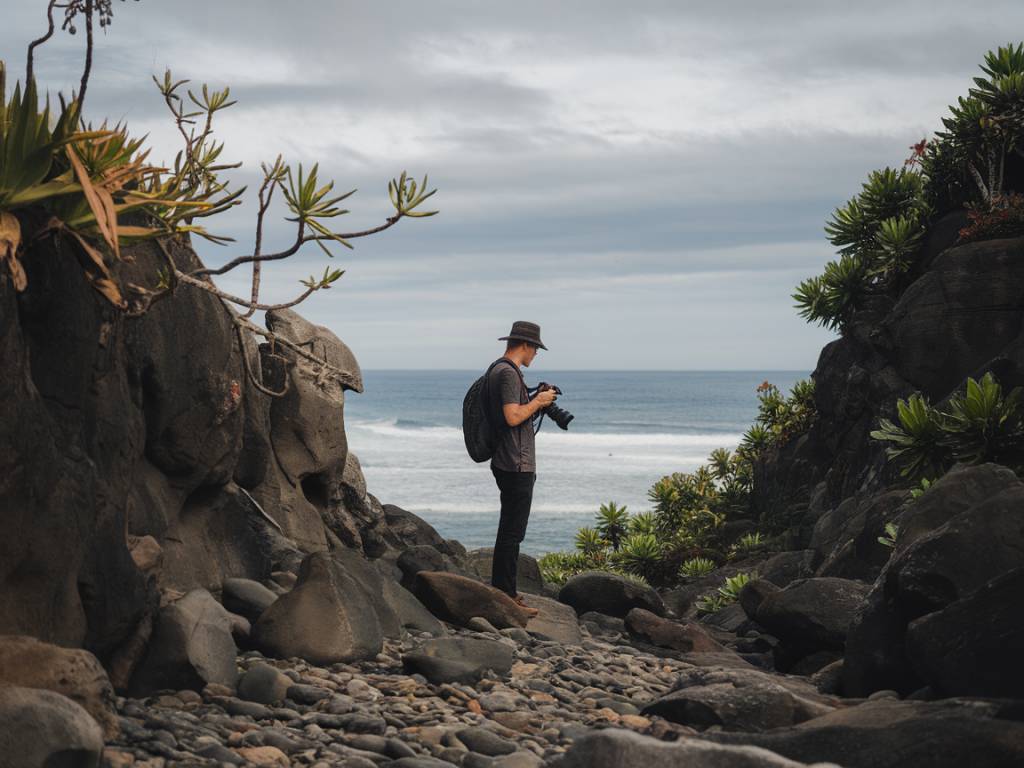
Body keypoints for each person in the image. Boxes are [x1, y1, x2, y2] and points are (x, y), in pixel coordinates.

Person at [487, 321, 557, 615]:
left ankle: (504, 591)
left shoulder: (499, 369)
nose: (536, 355)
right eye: (535, 350)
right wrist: (539, 401)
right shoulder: (507, 373)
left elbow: (511, 412)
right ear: (525, 346)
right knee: (512, 532)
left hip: (509, 460)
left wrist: (534, 400)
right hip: (515, 463)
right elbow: (513, 416)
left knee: (510, 530)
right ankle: (506, 595)